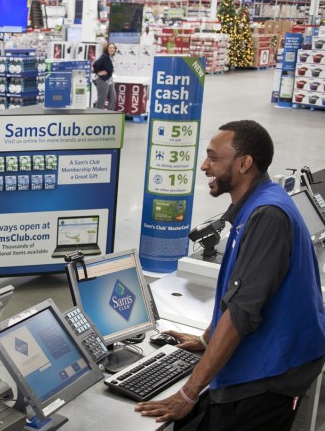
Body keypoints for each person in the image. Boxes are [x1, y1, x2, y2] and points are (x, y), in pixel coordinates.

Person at [135, 120, 325, 430]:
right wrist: (205, 339)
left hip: (270, 374)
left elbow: (240, 312)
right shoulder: (259, 204)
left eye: (213, 157)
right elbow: (237, 290)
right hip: (279, 359)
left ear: (244, 163)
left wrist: (187, 393)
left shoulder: (267, 216)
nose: (204, 166)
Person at [92, 42, 117, 110]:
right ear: (107, 49)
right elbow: (95, 64)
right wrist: (98, 72)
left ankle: (109, 114)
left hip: (109, 80)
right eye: (110, 48)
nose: (112, 49)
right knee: (102, 99)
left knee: (113, 98)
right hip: (102, 80)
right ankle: (98, 115)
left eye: (113, 48)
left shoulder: (111, 57)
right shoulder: (105, 56)